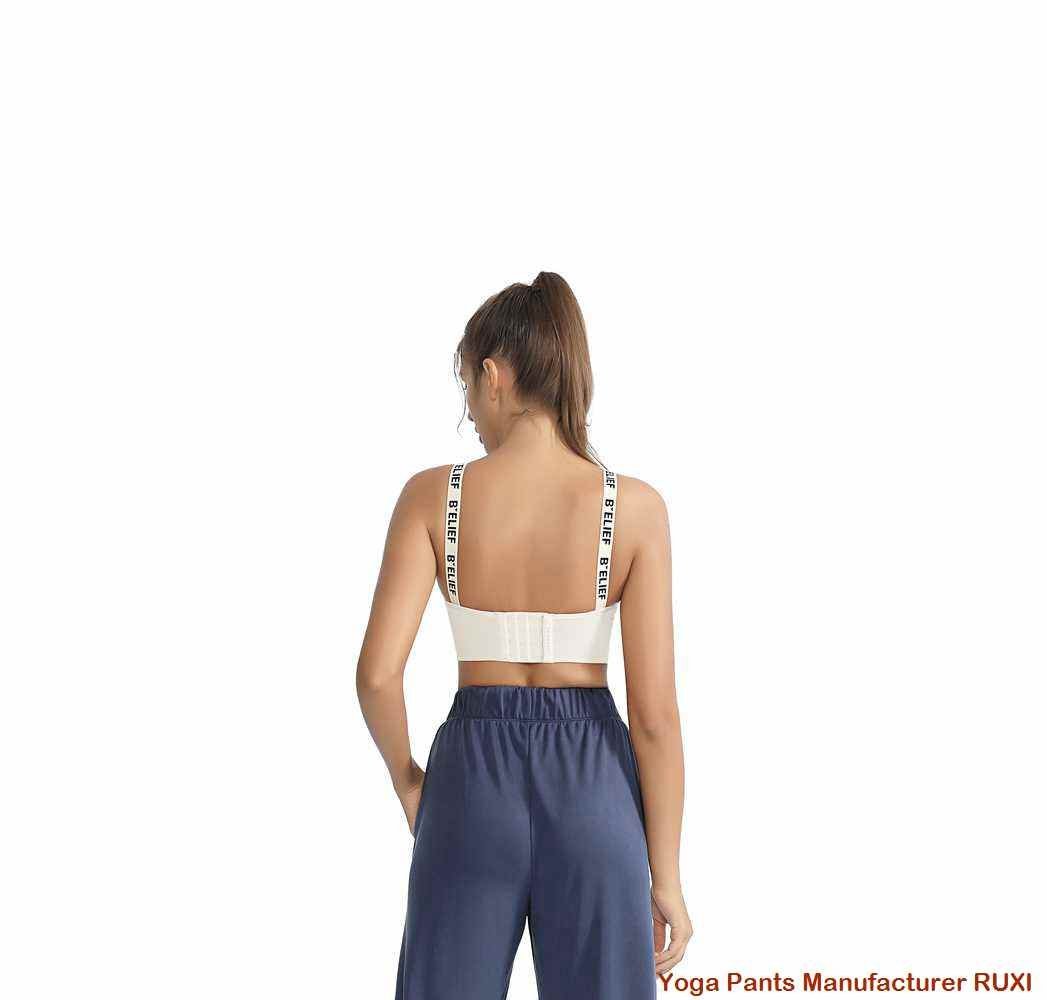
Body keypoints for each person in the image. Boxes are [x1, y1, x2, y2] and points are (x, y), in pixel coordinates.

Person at [357, 272, 691, 999]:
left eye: (467, 388)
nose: (471, 413)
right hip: (594, 782)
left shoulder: (431, 496)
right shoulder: (633, 508)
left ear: (494, 375)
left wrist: (410, 782)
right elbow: (655, 718)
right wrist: (664, 874)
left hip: (470, 781)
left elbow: (377, 675)